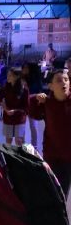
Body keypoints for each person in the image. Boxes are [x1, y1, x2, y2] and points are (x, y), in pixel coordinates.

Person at [29, 70, 71, 199]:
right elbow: (33, 112)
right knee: (52, 192)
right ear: (50, 86)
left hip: (69, 157)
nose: (64, 83)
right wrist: (36, 98)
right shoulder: (47, 103)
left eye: (66, 79)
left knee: (63, 193)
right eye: (59, 80)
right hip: (52, 156)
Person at [0, 67, 29, 146]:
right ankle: (8, 153)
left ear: (17, 77)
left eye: (10, 75)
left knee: (18, 141)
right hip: (8, 118)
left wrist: (15, 111)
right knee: (8, 141)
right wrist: (3, 105)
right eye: (7, 75)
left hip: (19, 118)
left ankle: (20, 153)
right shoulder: (5, 88)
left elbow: (26, 107)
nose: (7, 77)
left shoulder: (24, 89)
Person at [21, 62, 43, 149]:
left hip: (32, 105)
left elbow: (38, 92)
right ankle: (22, 145)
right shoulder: (22, 78)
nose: (24, 70)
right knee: (22, 125)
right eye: (23, 68)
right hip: (23, 104)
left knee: (33, 126)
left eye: (26, 68)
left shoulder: (35, 79)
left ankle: (35, 146)